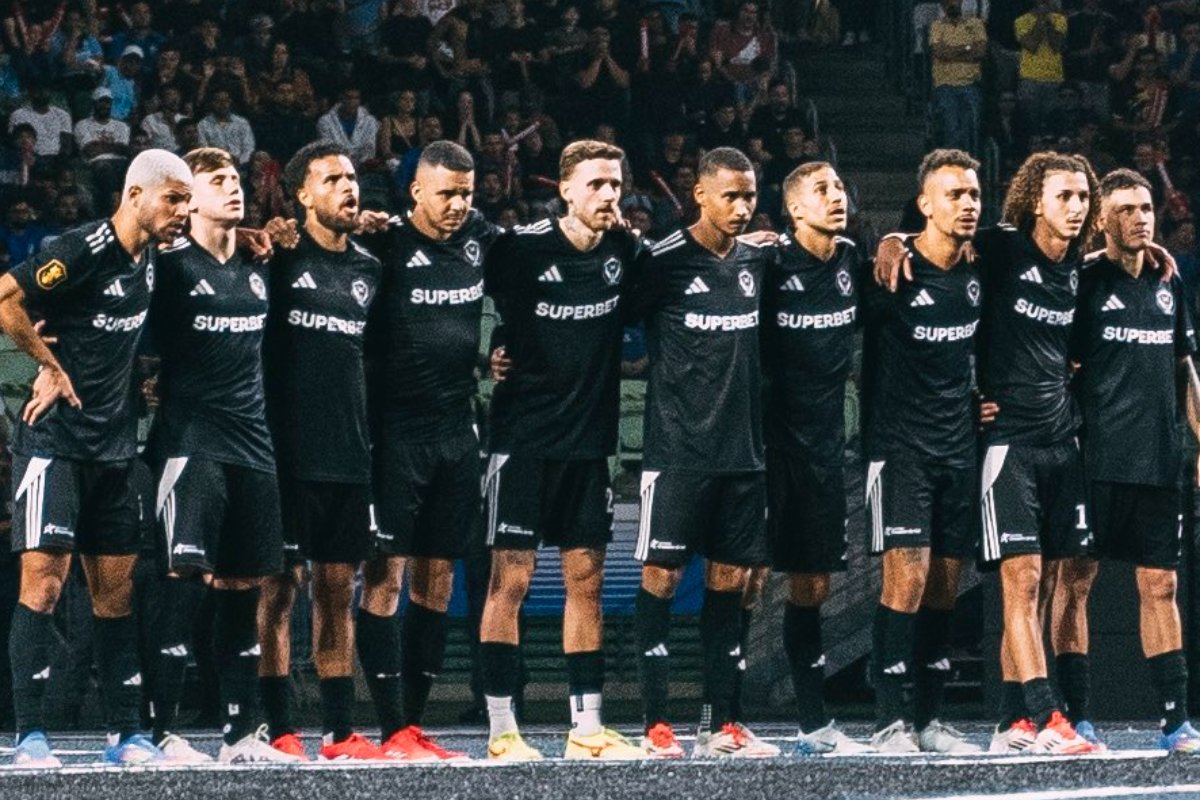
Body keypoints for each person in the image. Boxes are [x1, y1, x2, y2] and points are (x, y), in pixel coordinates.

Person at [0, 149, 193, 767]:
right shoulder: (83, 248)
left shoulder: (153, 259)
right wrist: (48, 365)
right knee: (44, 587)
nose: (182, 212)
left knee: (115, 597)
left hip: (114, 450)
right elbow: (5, 297)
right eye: (173, 199)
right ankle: (30, 736)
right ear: (135, 195)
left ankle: (125, 734)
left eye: (188, 202)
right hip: (54, 445)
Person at [479, 139, 643, 761]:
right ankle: (502, 732)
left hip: (587, 444)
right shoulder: (521, 248)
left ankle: (587, 729)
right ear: (565, 190)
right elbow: (462, 290)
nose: (608, 194)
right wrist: (490, 347)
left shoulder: (625, 252)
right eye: (596, 184)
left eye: (615, 184)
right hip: (522, 440)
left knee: (587, 581)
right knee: (510, 581)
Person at [143, 147, 301, 765]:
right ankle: (157, 733)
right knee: (183, 584)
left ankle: (240, 736)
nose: (233, 188)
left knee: (244, 587)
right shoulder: (168, 266)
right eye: (217, 181)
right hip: (189, 445)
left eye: (236, 179)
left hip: (253, 448)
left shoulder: (260, 264)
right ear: (189, 200)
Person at [631, 146, 779, 759]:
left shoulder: (758, 260)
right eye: (730, 196)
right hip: (677, 453)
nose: (742, 208)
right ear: (699, 194)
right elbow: (608, 323)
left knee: (731, 584)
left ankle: (722, 724)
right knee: (661, 579)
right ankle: (654, 725)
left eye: (750, 196)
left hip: (742, 455)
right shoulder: (662, 261)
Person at [356, 140, 500, 760]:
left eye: (466, 194)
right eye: (446, 194)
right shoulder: (385, 244)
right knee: (385, 577)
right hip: (395, 436)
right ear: (416, 192)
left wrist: (501, 348)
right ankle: (388, 725)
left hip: (456, 432)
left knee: (438, 582)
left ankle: (411, 725)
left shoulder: (480, 239)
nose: (458, 205)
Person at [257, 141, 384, 761]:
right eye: (331, 179)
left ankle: (338, 732)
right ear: (302, 195)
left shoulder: (370, 267)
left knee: (337, 592)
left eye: (351, 176)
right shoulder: (277, 258)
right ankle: (279, 728)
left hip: (349, 455)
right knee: (279, 591)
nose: (347, 186)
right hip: (284, 456)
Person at [1070, 167, 1200, 754]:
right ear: (1101, 220)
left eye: (1146, 207)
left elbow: (1184, 368)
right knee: (1075, 583)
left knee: (1162, 586)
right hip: (1093, 461)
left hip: (1158, 463)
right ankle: (1076, 717)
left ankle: (1176, 721)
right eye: (1125, 209)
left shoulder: (1169, 281)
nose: (1140, 217)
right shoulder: (1083, 281)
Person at [861, 149, 984, 754]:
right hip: (899, 450)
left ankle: (931, 720)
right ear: (925, 205)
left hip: (959, 449)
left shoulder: (981, 270)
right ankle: (889, 719)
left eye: (974, 194)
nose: (968, 204)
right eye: (955, 195)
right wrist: (891, 240)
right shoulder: (891, 274)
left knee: (944, 587)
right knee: (905, 579)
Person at [758, 162, 871, 755]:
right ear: (794, 209)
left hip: (824, 452)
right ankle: (718, 721)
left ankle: (813, 723)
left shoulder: (852, 260)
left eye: (839, 187)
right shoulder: (768, 263)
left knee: (814, 585)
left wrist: (898, 241)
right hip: (765, 449)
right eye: (822, 190)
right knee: (743, 578)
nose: (837, 196)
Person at [929, 0, 986, 155]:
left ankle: (971, 159)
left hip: (971, 83)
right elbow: (940, 53)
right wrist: (967, 47)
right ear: (942, 5)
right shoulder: (937, 26)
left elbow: (980, 52)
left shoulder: (975, 24)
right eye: (947, 2)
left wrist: (952, 52)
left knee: (972, 126)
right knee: (951, 127)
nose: (951, 4)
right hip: (945, 84)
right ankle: (954, 161)